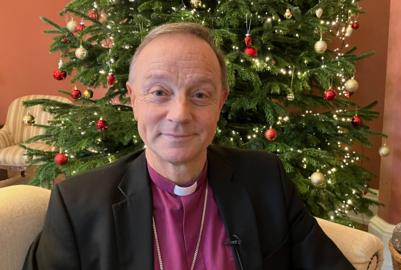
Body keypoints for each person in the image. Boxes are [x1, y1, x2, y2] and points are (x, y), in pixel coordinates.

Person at [23, 22, 354, 270]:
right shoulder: (79, 205)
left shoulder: (266, 181)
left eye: (200, 94)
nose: (180, 115)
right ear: (132, 98)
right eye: (159, 92)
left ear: (221, 102)